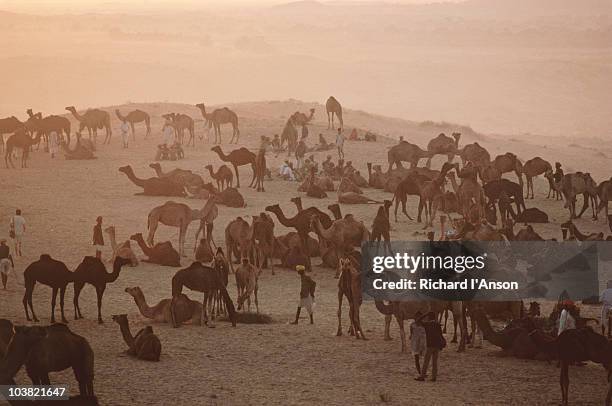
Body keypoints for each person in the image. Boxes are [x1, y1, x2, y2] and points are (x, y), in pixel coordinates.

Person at [415, 311, 446, 382]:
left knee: (426, 361)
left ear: (428, 317)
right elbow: (440, 335)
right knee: (434, 363)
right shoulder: (437, 324)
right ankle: (434, 377)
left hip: (430, 345)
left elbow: (417, 321)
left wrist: (425, 314)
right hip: (437, 345)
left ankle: (422, 376)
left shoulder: (427, 324)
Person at [410, 311, 426, 375]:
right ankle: (420, 372)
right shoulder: (412, 325)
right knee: (417, 359)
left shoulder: (424, 325)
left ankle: (423, 371)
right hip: (415, 344)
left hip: (423, 343)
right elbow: (411, 334)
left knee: (425, 359)